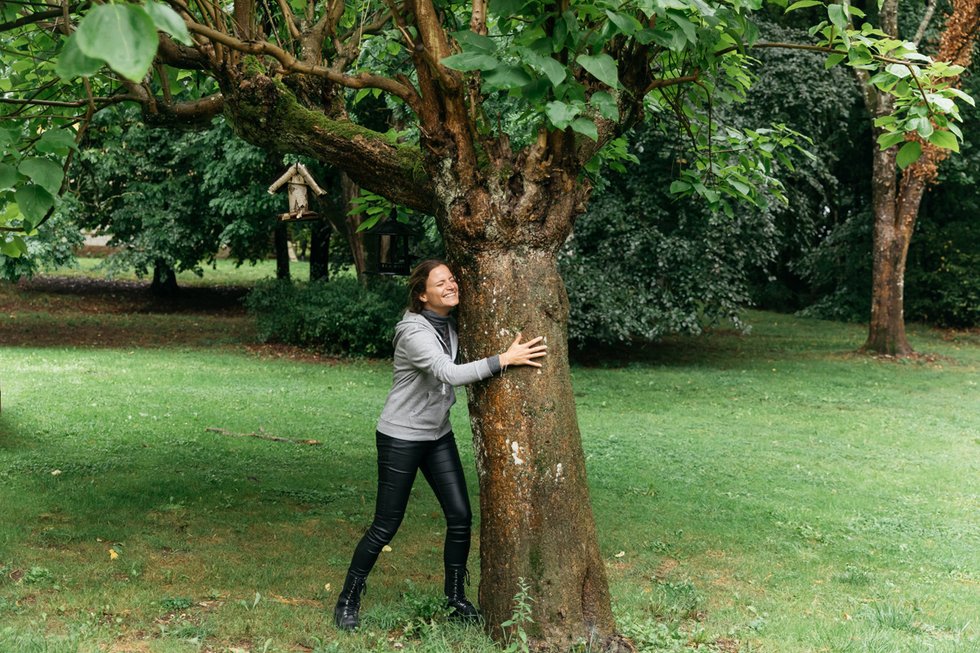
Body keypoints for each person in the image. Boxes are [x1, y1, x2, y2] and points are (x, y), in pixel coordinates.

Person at [334, 259, 547, 631]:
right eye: (441, 282)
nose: (451, 285)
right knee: (385, 526)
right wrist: (505, 359)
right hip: (401, 437)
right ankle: (348, 599)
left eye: (452, 279)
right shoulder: (412, 332)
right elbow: (448, 373)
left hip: (437, 435)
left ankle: (455, 598)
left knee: (460, 516)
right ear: (422, 294)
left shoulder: (449, 322)